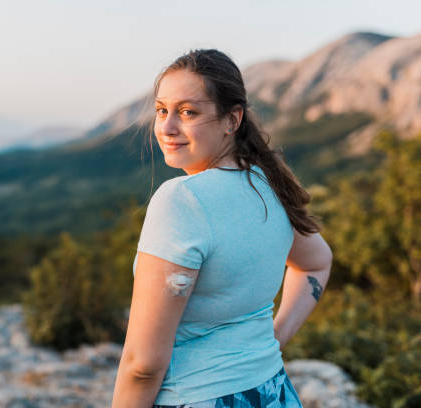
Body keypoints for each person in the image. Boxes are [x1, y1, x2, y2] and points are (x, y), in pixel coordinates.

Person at [111, 49, 332, 407]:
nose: (167, 127)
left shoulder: (181, 200)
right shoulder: (269, 183)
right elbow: (317, 263)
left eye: (187, 112)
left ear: (232, 120)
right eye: (162, 110)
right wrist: (273, 341)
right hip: (273, 393)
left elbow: (143, 366)